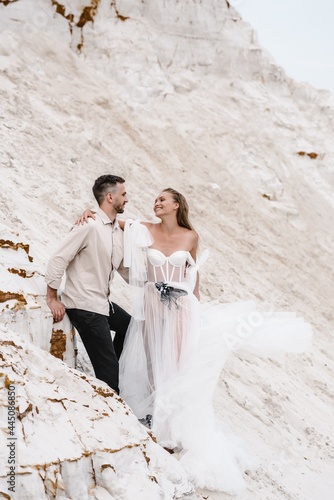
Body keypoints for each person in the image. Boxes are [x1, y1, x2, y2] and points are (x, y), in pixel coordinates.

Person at [79, 187, 313, 495]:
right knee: (152, 359)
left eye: (162, 199)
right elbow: (109, 219)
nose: (156, 203)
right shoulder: (142, 228)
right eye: (156, 200)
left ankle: (170, 429)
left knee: (176, 362)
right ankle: (153, 416)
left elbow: (194, 274)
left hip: (180, 308)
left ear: (176, 205)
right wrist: (89, 213)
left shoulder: (190, 236)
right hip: (151, 305)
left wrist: (197, 306)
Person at [45, 175, 131, 394]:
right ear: (110, 197)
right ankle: (108, 382)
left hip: (101, 303)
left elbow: (124, 270)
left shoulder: (115, 231)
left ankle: (109, 364)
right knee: (110, 379)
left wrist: (157, 284)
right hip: (84, 307)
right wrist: (52, 297)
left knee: (131, 327)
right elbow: (59, 258)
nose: (127, 199)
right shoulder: (88, 226)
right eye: (123, 194)